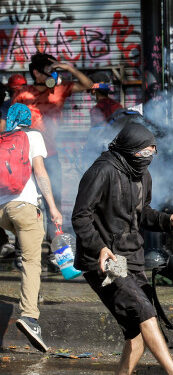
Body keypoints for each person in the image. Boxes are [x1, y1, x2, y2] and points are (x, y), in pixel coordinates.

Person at [72, 123, 173, 375]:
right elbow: (80, 216)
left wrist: (167, 220)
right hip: (108, 260)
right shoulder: (102, 171)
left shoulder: (143, 175)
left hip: (132, 258)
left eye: (152, 152)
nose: (149, 158)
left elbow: (142, 214)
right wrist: (100, 247)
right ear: (129, 150)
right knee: (144, 311)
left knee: (136, 331)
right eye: (144, 152)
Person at [0, 103, 62, 353]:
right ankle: (30, 316)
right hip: (24, 207)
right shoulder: (33, 135)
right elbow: (40, 173)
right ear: (28, 119)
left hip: (2, 210)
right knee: (32, 261)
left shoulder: (3, 138)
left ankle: (33, 294)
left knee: (23, 246)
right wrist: (53, 208)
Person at [13, 53, 93, 242]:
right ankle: (22, 247)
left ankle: (55, 250)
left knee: (53, 203)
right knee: (23, 201)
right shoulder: (22, 94)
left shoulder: (60, 90)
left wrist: (69, 69)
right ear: (36, 73)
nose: (53, 76)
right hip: (25, 157)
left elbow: (89, 85)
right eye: (49, 72)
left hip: (50, 155)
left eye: (55, 72)